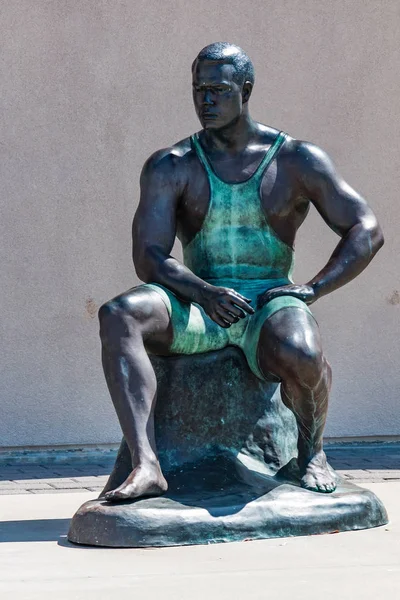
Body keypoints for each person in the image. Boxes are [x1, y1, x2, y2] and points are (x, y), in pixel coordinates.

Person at [99, 42, 383, 502]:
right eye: (198, 90)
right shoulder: (172, 165)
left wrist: (312, 288)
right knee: (119, 313)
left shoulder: (295, 158)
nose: (205, 100)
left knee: (301, 349)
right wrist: (204, 291)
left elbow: (365, 229)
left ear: (245, 90)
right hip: (199, 303)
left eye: (218, 89)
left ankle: (310, 452)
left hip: (269, 303)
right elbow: (150, 256)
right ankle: (146, 464)